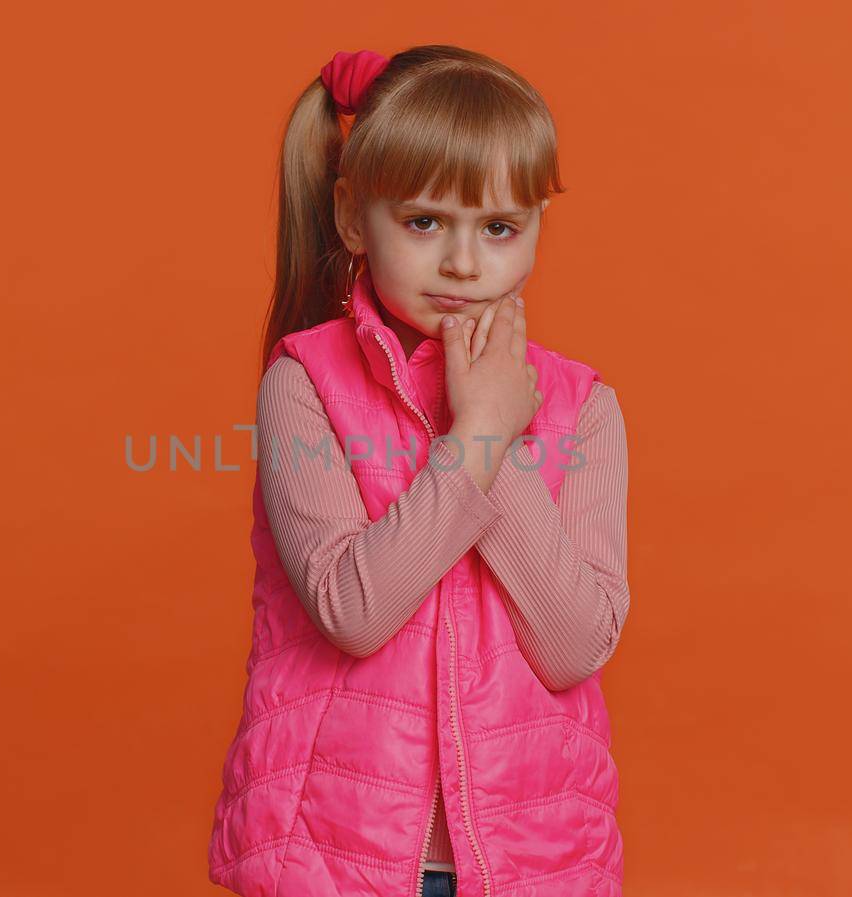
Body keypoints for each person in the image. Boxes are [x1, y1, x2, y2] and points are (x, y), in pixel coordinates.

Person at [208, 45, 632, 897]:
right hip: (334, 853)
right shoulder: (306, 386)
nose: (466, 264)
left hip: (528, 860)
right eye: (426, 222)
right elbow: (352, 610)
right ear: (353, 219)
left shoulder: (581, 407)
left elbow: (576, 645)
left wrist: (500, 429)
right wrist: (475, 434)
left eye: (500, 227)